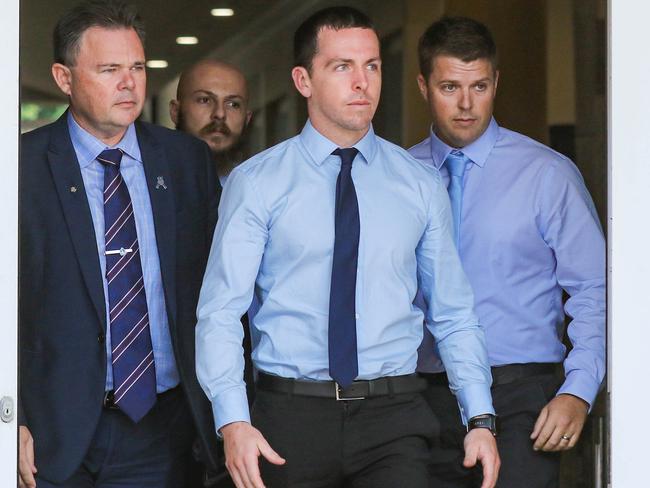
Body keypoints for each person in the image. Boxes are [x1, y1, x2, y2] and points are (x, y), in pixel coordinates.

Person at [196, 6, 500, 488]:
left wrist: (479, 418)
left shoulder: (419, 184)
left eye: (372, 66)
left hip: (395, 418)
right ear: (303, 80)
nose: (363, 82)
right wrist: (233, 422)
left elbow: (454, 311)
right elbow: (219, 312)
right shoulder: (257, 183)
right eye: (342, 67)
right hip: (289, 418)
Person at [19, 1, 220, 487]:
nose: (129, 83)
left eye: (136, 67)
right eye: (109, 69)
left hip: (161, 431)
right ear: (64, 79)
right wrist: (11, 416)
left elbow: (221, 292)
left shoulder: (184, 161)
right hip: (50, 434)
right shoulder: (18, 168)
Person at [410, 16, 605, 488]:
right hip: (424, 397)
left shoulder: (547, 174)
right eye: (450, 86)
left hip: (521, 397)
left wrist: (577, 391)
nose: (465, 104)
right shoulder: (398, 176)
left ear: (496, 81)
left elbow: (595, 291)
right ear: (423, 86)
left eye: (479, 86)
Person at [170, 59, 252, 187]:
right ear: (175, 111)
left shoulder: (262, 188)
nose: (220, 114)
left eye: (233, 104)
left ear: (247, 119)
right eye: (205, 100)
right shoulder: (149, 180)